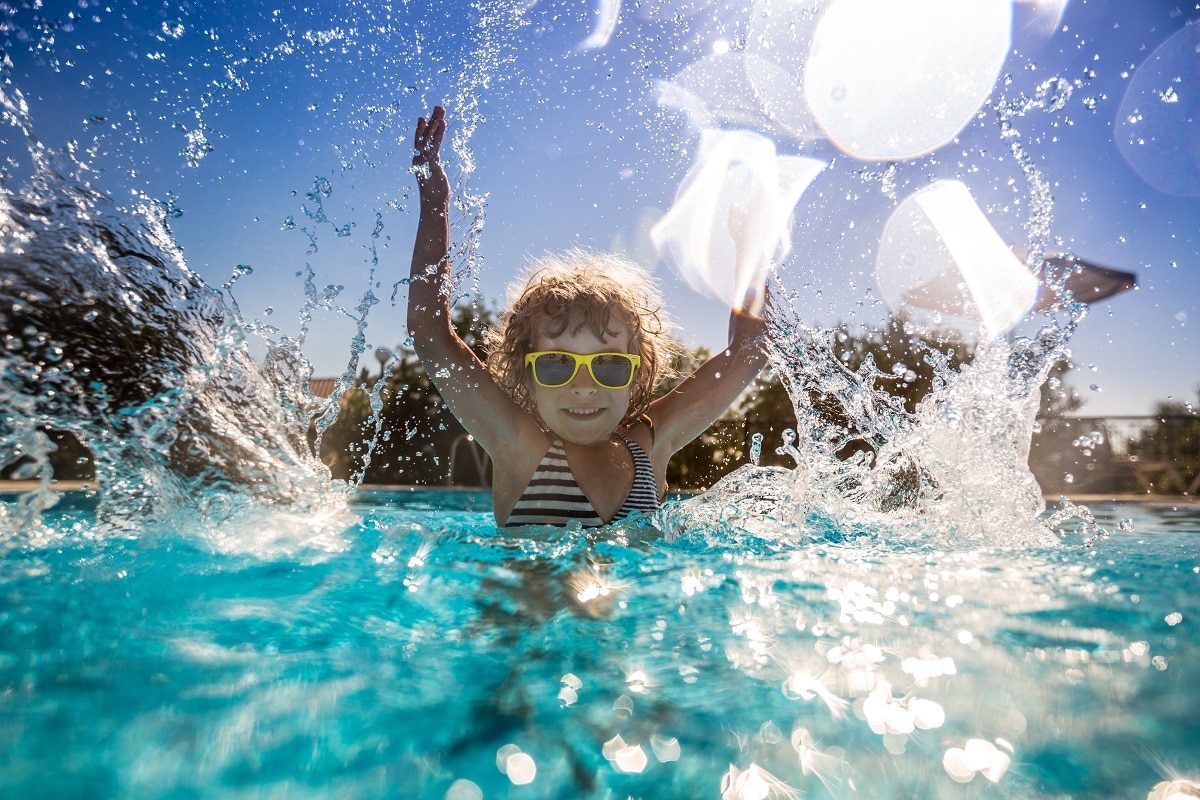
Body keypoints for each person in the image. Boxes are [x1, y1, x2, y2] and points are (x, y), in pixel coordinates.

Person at [408, 105, 769, 527]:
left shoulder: (651, 444)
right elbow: (429, 332)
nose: (584, 387)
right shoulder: (517, 443)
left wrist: (751, 248)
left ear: (638, 372)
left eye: (610, 366)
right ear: (526, 373)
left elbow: (751, 350)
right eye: (557, 364)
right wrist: (435, 202)